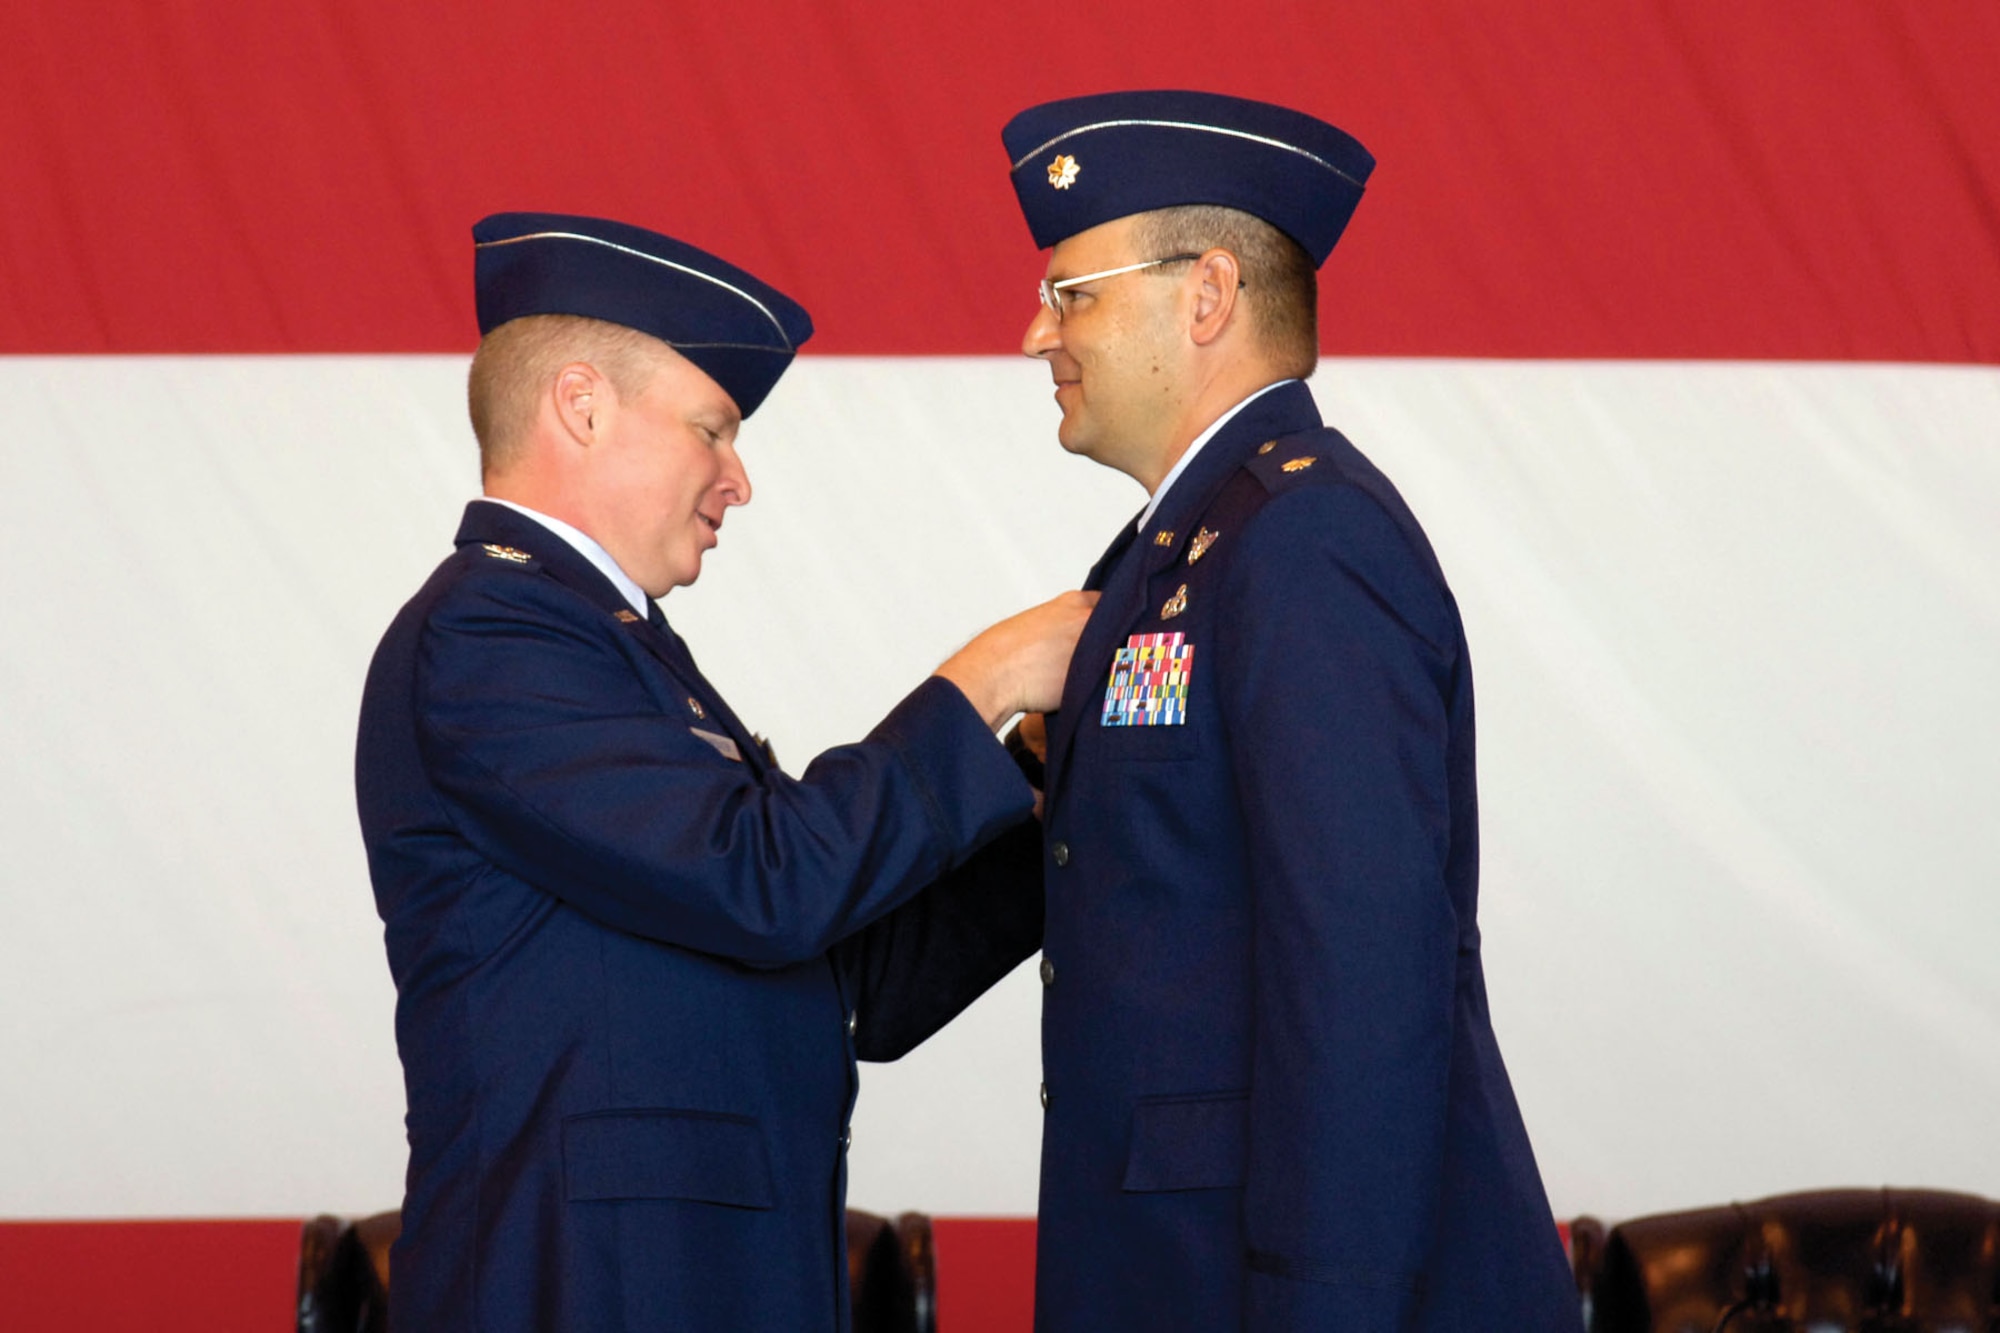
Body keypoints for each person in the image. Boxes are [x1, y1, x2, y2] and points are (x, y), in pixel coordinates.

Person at [354, 211, 1090, 1331]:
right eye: (712, 429)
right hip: (590, 1283)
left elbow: (856, 978)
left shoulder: (600, 641)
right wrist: (984, 678)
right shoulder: (494, 633)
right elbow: (766, 878)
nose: (736, 480)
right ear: (581, 406)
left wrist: (1043, 782)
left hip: (685, 1273)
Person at [1000, 92, 1577, 1330]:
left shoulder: (1305, 542)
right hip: (1171, 1265)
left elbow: (1363, 983)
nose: (1034, 333)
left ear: (1204, 296)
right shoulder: (1187, 549)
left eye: (1071, 294)